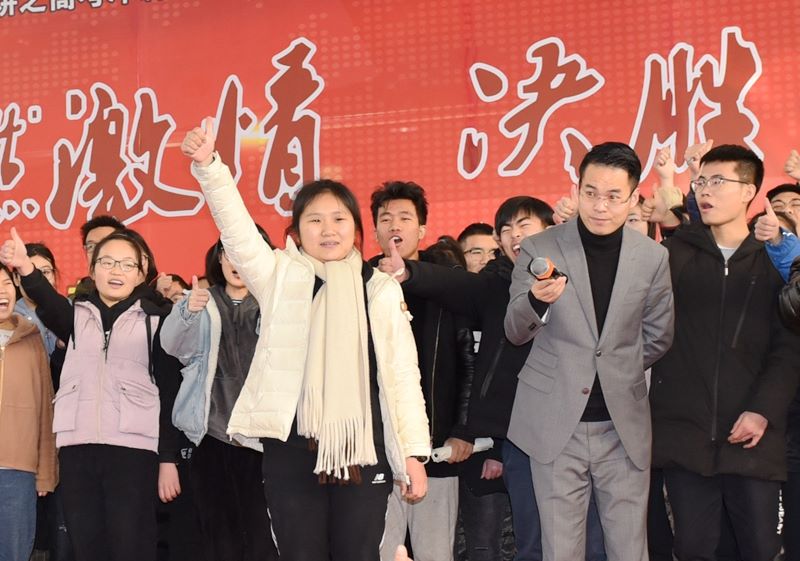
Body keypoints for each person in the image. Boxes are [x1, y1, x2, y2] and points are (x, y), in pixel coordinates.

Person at [181, 117, 430, 561]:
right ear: (296, 232)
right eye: (314, 220)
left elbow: (402, 376)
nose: (328, 229)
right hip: (291, 450)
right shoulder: (278, 277)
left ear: (356, 229)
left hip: (364, 449)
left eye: (338, 219)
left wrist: (412, 453)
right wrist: (210, 167)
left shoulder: (380, 289)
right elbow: (237, 232)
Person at [380, 196, 607, 561]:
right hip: (518, 437)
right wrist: (409, 272)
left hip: (579, 432)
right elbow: (450, 283)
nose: (515, 235)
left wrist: (579, 227)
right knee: (530, 541)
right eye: (506, 229)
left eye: (524, 225)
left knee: (589, 541)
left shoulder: (581, 279)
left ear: (550, 230)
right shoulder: (494, 287)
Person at [505, 141, 674, 561]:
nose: (600, 206)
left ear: (633, 198)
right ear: (576, 190)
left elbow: (659, 335)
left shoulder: (652, 257)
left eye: (614, 196)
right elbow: (514, 330)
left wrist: (617, 369)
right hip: (554, 421)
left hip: (623, 424)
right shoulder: (540, 248)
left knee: (629, 549)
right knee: (559, 550)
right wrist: (537, 301)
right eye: (591, 192)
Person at [651, 144, 800, 561]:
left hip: (754, 437)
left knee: (760, 548)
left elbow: (788, 349)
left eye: (718, 181)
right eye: (700, 181)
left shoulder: (774, 260)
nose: (705, 190)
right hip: (685, 436)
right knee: (693, 548)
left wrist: (763, 410)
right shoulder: (672, 256)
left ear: (749, 190)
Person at [2, 227, 184, 561]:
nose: (116, 271)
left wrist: (168, 459)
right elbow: (47, 299)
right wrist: (25, 266)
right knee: (86, 545)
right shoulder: (75, 316)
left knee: (132, 545)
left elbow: (169, 393)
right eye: (107, 262)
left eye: (127, 264)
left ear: (141, 273)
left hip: (133, 452)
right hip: (78, 450)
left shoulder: (157, 321)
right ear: (92, 269)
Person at [369, 180, 473, 561]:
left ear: (422, 229)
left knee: (435, 553)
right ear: (374, 230)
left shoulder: (445, 282)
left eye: (404, 217)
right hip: (377, 452)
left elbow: (467, 361)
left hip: (437, 447)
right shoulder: (361, 283)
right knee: (379, 552)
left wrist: (462, 429)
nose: (394, 225)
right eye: (385, 218)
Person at [161, 231, 279, 561]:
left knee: (264, 540)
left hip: (264, 441)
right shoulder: (202, 300)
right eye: (230, 253)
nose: (237, 261)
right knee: (219, 539)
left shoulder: (276, 301)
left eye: (246, 252)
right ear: (219, 258)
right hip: (211, 438)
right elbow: (171, 345)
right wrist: (186, 312)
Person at [0, 262, 58, 561]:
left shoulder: (31, 338)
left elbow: (45, 408)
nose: (2, 291)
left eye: (5, 283)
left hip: (17, 471)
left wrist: (45, 472)